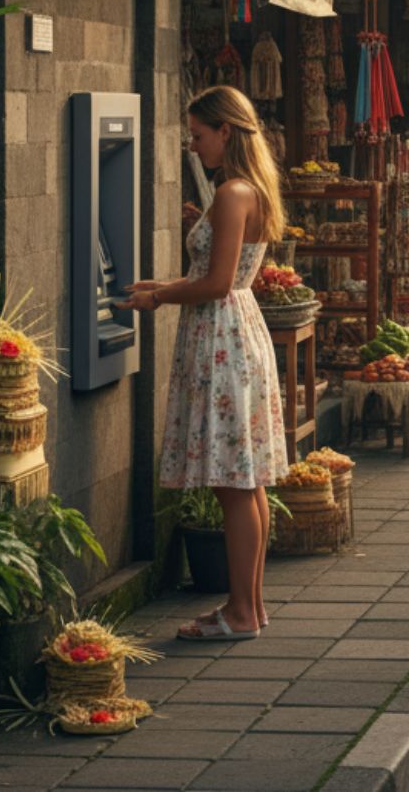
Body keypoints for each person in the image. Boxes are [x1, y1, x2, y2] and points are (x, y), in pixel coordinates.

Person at [120, 85, 288, 641]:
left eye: (198, 135)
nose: (193, 146)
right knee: (246, 483)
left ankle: (240, 613)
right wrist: (161, 284)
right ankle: (250, 607)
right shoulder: (246, 189)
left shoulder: (234, 192)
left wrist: (159, 298)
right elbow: (225, 276)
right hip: (237, 333)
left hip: (222, 340)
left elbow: (216, 283)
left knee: (233, 485)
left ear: (226, 132)